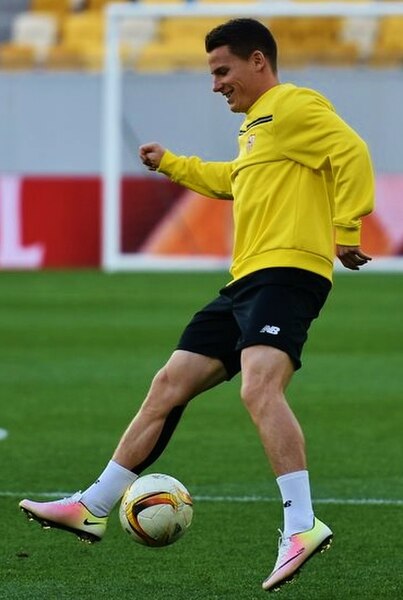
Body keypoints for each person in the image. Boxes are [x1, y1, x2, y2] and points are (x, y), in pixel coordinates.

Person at [19, 18, 374, 592]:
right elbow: (234, 178)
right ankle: (94, 505)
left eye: (222, 70)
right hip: (245, 282)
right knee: (168, 384)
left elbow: (352, 151)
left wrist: (347, 225)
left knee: (259, 387)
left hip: (288, 273)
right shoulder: (260, 128)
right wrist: (172, 164)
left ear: (258, 61)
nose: (215, 84)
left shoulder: (295, 105)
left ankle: (301, 525)